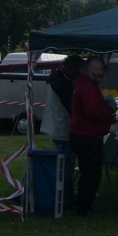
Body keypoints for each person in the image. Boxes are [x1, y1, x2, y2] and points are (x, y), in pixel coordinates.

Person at [69, 57, 116, 216]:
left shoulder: (84, 85)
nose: (99, 72)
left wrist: (107, 117)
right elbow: (92, 111)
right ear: (87, 69)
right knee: (91, 173)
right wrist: (110, 110)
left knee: (88, 172)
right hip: (87, 136)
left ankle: (83, 205)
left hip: (85, 134)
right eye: (96, 69)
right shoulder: (87, 86)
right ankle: (84, 207)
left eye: (101, 69)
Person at [40, 55, 83, 206]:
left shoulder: (58, 79)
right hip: (63, 130)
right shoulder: (62, 84)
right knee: (66, 169)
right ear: (71, 68)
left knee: (64, 167)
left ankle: (64, 197)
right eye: (79, 69)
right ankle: (67, 199)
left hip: (59, 128)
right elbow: (72, 108)